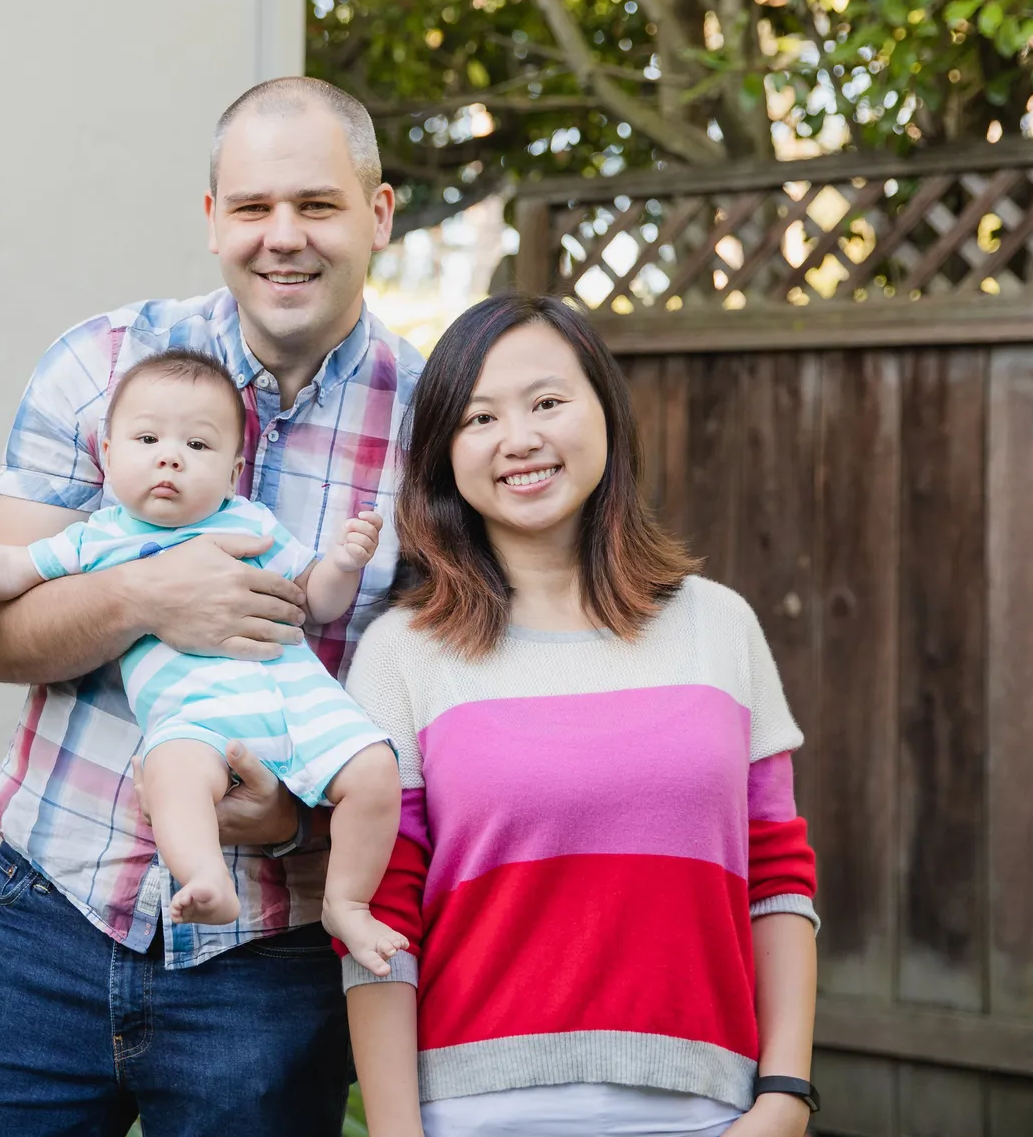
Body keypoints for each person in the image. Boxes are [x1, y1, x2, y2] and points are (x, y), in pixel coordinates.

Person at [0, 76, 426, 1137]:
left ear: (376, 214)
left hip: (269, 967)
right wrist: (149, 593)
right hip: (45, 917)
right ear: (210, 222)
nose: (281, 237)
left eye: (316, 205)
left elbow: (435, 714)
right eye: (250, 208)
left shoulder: (434, 429)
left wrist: (293, 820)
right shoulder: (98, 367)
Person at [344, 294, 820, 1137]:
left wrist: (783, 1095)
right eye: (479, 416)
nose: (518, 437)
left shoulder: (719, 626)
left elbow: (778, 875)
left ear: (606, 411)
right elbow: (382, 918)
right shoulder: (399, 653)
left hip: (712, 1111)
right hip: (475, 1114)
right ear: (443, 454)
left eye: (547, 402)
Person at [0, 348, 407, 968]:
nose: (170, 456)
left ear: (233, 470)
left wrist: (341, 564)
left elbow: (316, 602)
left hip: (299, 700)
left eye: (199, 446)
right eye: (147, 439)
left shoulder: (253, 523)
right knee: (174, 779)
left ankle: (347, 903)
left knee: (376, 771)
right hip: (196, 718)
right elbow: (9, 566)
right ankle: (205, 879)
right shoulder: (102, 538)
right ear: (110, 456)